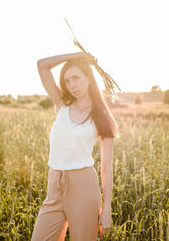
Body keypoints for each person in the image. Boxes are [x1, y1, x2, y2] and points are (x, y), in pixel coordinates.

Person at [31, 52, 118, 241]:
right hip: (54, 185)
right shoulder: (62, 103)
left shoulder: (102, 118)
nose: (72, 85)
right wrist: (77, 55)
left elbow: (106, 169)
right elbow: (42, 65)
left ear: (89, 78)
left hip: (83, 187)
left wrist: (107, 210)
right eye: (67, 81)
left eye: (76, 78)